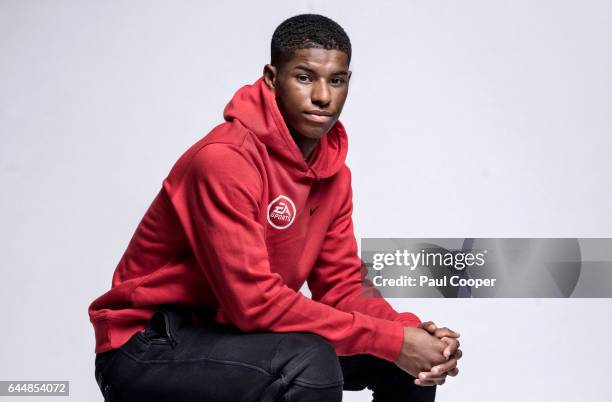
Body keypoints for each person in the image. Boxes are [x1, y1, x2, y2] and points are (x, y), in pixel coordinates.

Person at [89, 13, 462, 402]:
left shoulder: (333, 175)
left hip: (236, 336)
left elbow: (342, 285)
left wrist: (412, 334)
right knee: (307, 362)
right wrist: (393, 339)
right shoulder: (224, 160)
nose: (322, 96)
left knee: (402, 364)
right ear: (272, 78)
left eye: (335, 81)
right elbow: (253, 303)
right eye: (304, 77)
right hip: (146, 348)